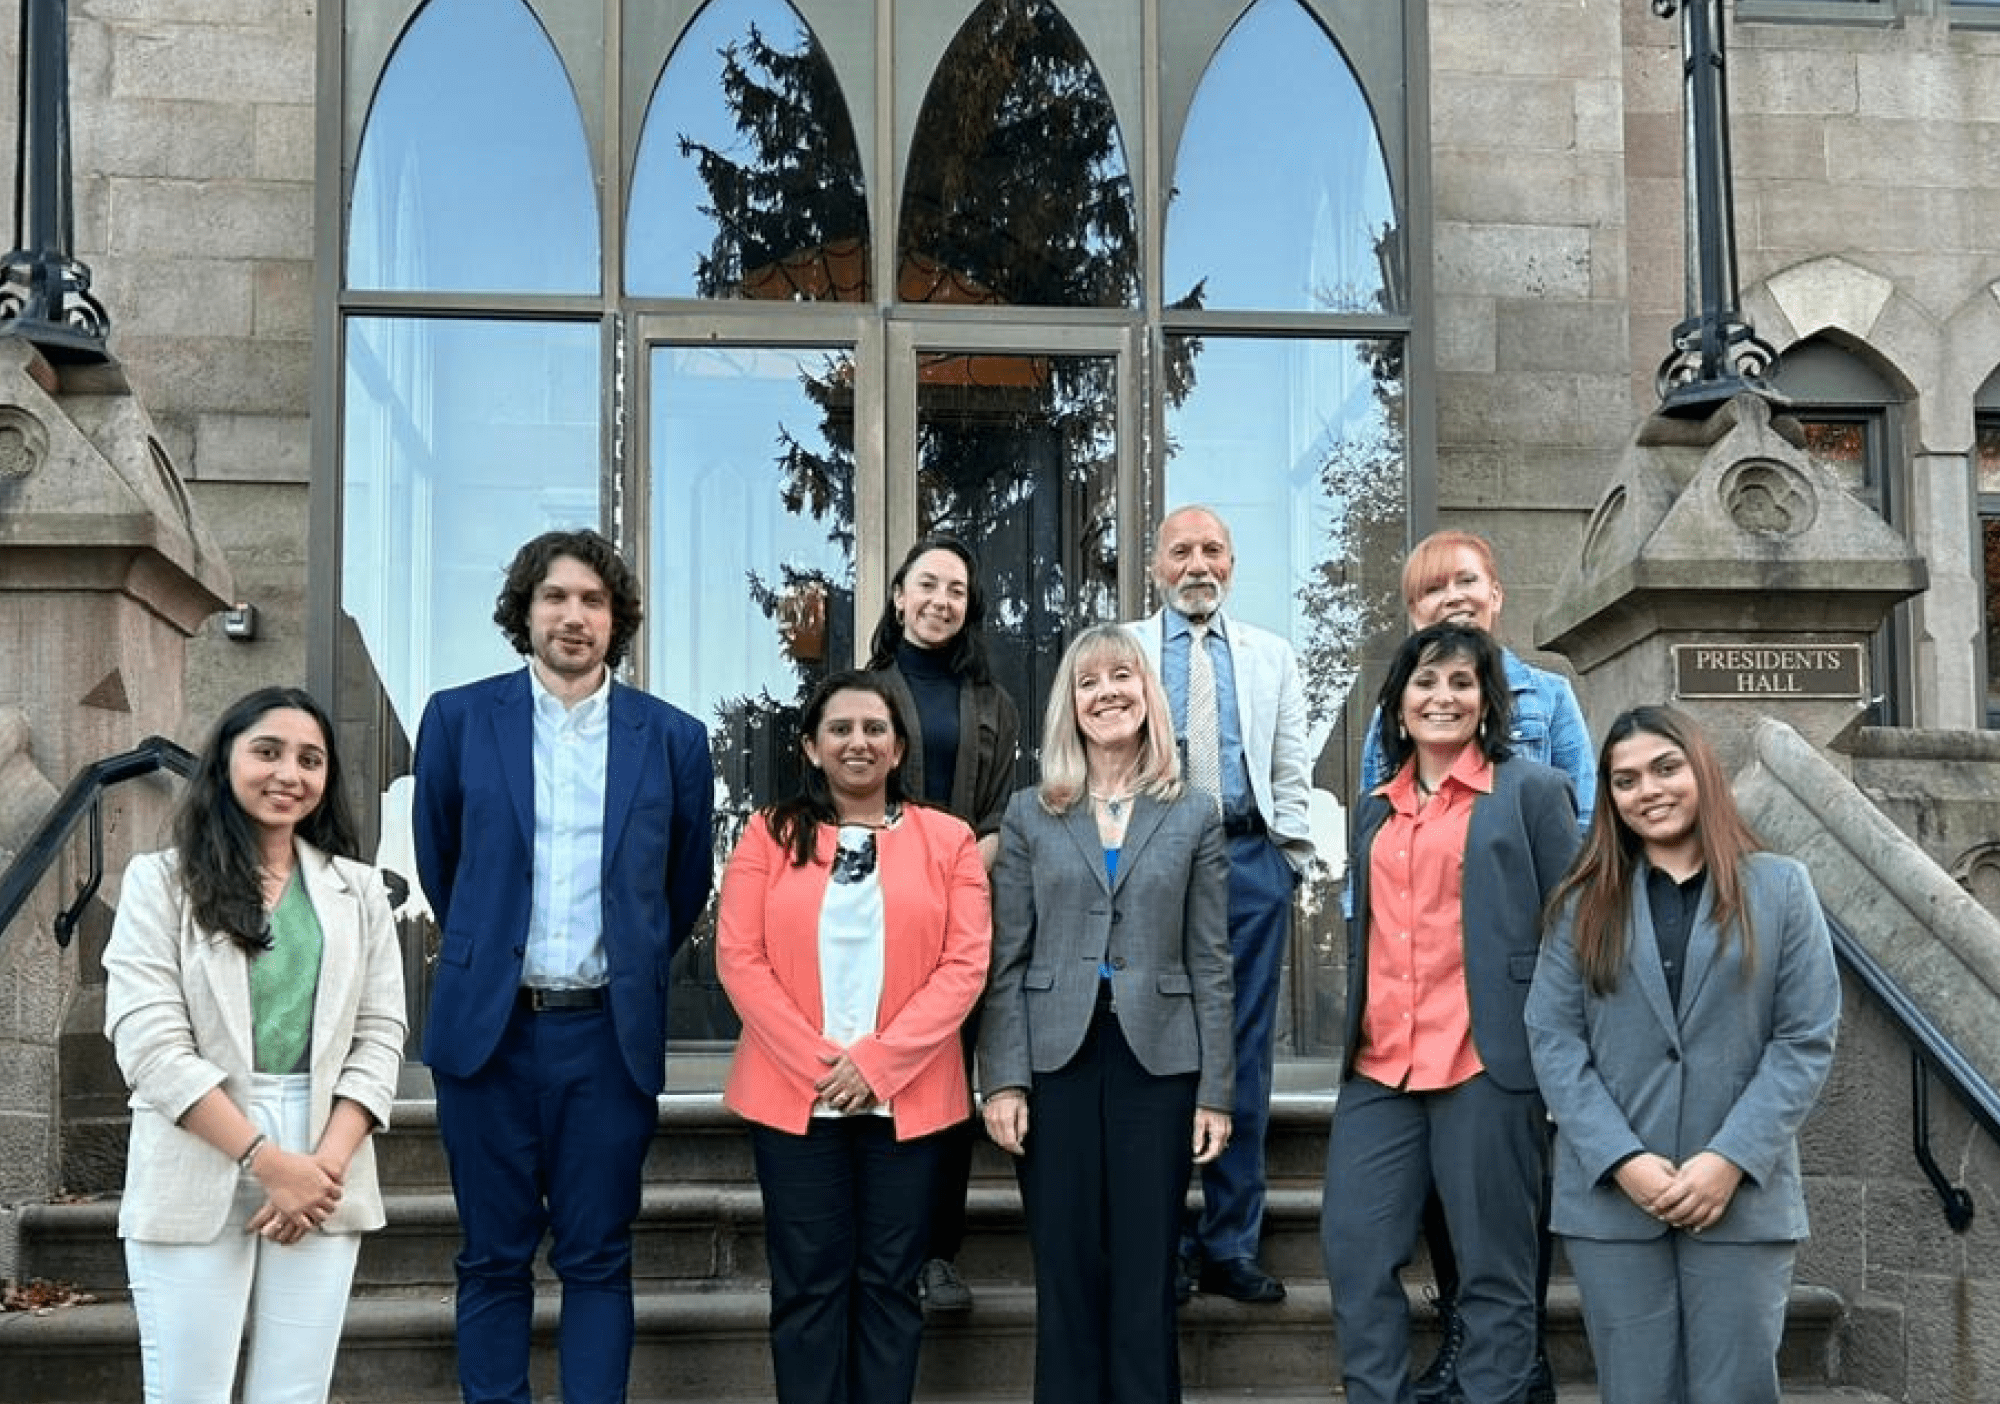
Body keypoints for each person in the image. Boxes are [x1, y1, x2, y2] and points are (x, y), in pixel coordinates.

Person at [413, 528, 715, 1404]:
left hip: (605, 1041)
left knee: (596, 1257)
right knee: (493, 1257)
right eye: (556, 597)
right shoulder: (459, 719)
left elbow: (680, 887)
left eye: (592, 600)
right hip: (490, 1037)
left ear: (617, 619)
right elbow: (445, 867)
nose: (573, 616)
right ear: (525, 610)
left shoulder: (674, 739)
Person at [1526, 706, 1840, 1404]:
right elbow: (1554, 1042)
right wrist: (1623, 1160)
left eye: (1666, 768)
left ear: (1701, 770)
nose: (1649, 790)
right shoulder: (1579, 907)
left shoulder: (1782, 889)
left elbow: (1803, 1038)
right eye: (1626, 780)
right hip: (1613, 1202)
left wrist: (1728, 1160)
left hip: (1742, 1196)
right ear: (1610, 797)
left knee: (1737, 1390)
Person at [103, 686, 406, 1404]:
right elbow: (148, 1043)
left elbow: (380, 1035)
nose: (288, 774)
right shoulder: (161, 882)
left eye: (310, 759)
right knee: (188, 1393)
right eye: (267, 751)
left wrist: (320, 1169)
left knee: (294, 1394)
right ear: (226, 761)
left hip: (326, 1152)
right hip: (198, 1146)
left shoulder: (359, 893)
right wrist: (267, 1162)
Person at [1356, 529, 1594, 1404]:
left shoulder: (1550, 700)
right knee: (1443, 1204)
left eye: (1465, 582)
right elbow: (1378, 841)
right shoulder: (1400, 713)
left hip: (1502, 1001)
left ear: (1495, 594)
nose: (1451, 598)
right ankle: (1466, 1339)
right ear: (1413, 615)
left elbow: (1583, 841)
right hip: (1412, 1008)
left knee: (1503, 1205)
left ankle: (1516, 1358)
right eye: (1431, 590)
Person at [716, 669, 990, 1404]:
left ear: (899, 748)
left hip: (908, 1105)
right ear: (811, 746)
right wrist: (821, 1068)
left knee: (891, 1289)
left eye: (875, 728)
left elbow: (964, 966)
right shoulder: (768, 833)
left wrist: (875, 1065)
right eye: (840, 728)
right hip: (796, 1101)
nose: (858, 742)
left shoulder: (949, 839)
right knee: (807, 1289)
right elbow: (739, 960)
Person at [980, 624, 1234, 1404]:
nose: (1108, 694)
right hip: (1053, 1061)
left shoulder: (1193, 814)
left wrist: (1216, 1091)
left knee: (1145, 1268)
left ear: (1148, 696)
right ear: (1072, 705)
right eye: (1089, 683)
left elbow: (1213, 961)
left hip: (1159, 1063)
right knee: (1065, 1269)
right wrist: (1003, 1080)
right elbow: (1006, 961)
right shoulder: (1030, 813)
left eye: (1122, 676)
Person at [1125, 504, 1312, 1304]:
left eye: (1212, 550)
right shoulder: (1122, 650)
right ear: (1157, 566)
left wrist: (1290, 861)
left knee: (1243, 1051)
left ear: (1231, 563)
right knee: (1155, 1045)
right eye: (1181, 551)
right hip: (1147, 861)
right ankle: (1161, 1243)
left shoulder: (1272, 655)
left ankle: (1232, 1243)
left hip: (1247, 861)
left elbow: (1291, 764)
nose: (1197, 564)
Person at [864, 534, 1020, 1313]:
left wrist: (950, 873)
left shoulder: (995, 705)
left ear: (970, 608)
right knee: (876, 1071)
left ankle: (935, 1254)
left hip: (961, 909)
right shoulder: (862, 693)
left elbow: (997, 813)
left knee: (945, 1084)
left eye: (956, 590)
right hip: (867, 915)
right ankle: (876, 1242)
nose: (940, 601)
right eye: (926, 585)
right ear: (898, 597)